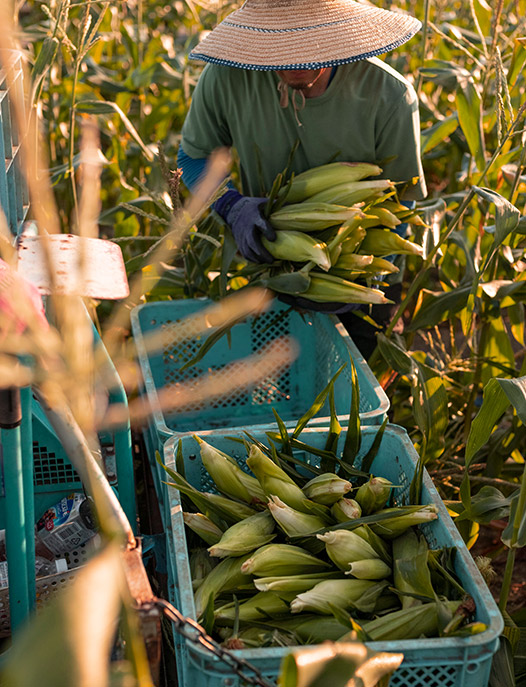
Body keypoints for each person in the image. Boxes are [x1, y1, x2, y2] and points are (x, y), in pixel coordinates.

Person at [177, 0, 428, 358]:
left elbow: (402, 201)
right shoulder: (227, 78)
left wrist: (360, 276)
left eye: (313, 45)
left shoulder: (389, 95)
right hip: (268, 265)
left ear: (339, 31)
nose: (298, 65)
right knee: (280, 389)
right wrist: (231, 206)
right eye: (284, 49)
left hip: (363, 283)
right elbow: (193, 157)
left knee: (357, 393)